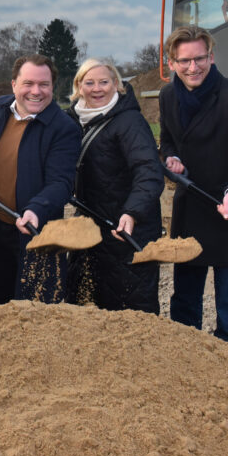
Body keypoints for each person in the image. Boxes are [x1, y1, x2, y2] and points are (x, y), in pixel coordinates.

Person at [158, 26, 228, 347]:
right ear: (171, 63)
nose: (193, 67)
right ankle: (187, 367)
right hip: (191, 213)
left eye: (200, 58)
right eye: (184, 61)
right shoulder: (168, 96)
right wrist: (172, 158)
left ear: (211, 57)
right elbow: (168, 141)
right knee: (184, 307)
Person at [0, 54, 80, 305]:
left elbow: (61, 183)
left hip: (37, 233)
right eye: (28, 83)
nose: (36, 91)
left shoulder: (64, 128)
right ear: (14, 85)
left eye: (44, 84)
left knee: (33, 308)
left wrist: (36, 209)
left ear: (53, 87)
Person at [64, 58, 164, 314]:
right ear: (78, 86)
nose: (97, 89)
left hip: (126, 230)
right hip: (89, 225)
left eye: (104, 82)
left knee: (131, 307)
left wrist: (132, 212)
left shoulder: (130, 122)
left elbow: (149, 171)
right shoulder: (71, 120)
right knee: (84, 302)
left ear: (116, 84)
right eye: (89, 83)